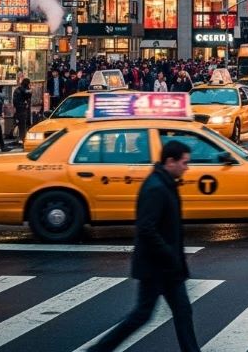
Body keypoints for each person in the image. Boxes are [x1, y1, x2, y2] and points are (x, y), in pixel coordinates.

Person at [89, 140, 200, 352]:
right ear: (170, 161)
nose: (187, 167)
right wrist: (169, 254)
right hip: (156, 267)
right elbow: (146, 229)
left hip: (168, 267)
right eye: (184, 162)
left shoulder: (165, 183)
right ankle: (99, 349)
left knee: (182, 312)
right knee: (142, 315)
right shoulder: (156, 187)